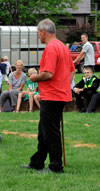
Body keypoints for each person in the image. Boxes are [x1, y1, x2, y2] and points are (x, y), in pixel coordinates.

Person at [23, 19, 75, 173]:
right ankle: (37, 162)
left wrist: (34, 78)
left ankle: (56, 166)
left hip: (52, 96)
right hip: (59, 94)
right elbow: (72, 70)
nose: (38, 36)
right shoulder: (63, 47)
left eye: (38, 33)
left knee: (50, 132)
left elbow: (48, 73)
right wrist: (66, 85)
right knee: (44, 130)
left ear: (44, 31)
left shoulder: (51, 48)